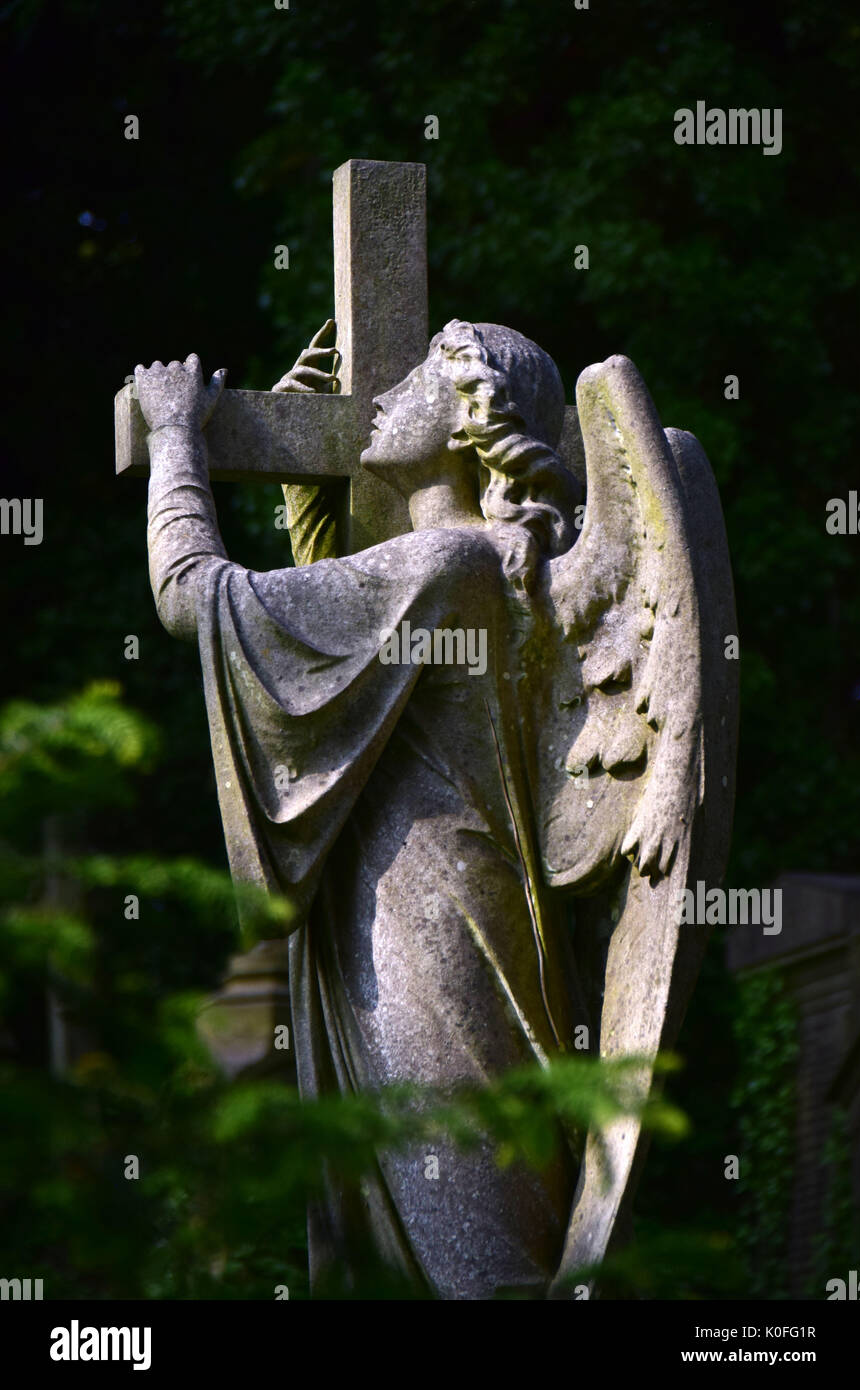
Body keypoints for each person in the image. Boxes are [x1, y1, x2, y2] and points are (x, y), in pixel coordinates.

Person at [136, 319, 587, 1299]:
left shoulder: (449, 566)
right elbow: (359, 691)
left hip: (426, 942)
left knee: (465, 1256)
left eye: (424, 368)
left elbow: (191, 596)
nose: (384, 391)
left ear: (471, 413)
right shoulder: (488, 565)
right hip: (435, 915)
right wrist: (311, 485)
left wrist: (174, 435)